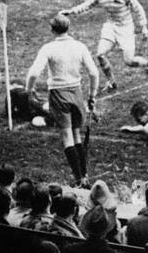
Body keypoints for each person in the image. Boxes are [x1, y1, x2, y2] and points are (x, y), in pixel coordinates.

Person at [24, 14, 101, 186]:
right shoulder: (80, 46)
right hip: (76, 93)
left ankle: (79, 179)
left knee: (67, 136)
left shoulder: (48, 48)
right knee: (76, 135)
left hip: (58, 94)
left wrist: (28, 91)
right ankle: (84, 175)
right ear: (68, 28)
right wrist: (92, 96)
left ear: (52, 29)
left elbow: (34, 73)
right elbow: (94, 73)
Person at [62, 0, 148, 92]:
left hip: (126, 29)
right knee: (100, 54)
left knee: (129, 61)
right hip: (110, 27)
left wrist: (144, 27)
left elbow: (138, 8)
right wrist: (71, 11)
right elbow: (87, 5)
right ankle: (112, 82)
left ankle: (147, 64)